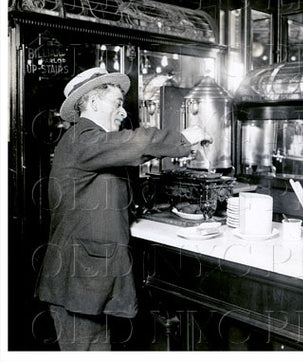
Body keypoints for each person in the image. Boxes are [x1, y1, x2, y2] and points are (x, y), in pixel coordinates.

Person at [35, 67, 207, 351]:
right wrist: (183, 138)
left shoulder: (92, 144)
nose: (124, 112)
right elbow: (134, 143)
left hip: (88, 283)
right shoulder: (82, 138)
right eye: (117, 103)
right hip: (78, 283)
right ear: (92, 104)